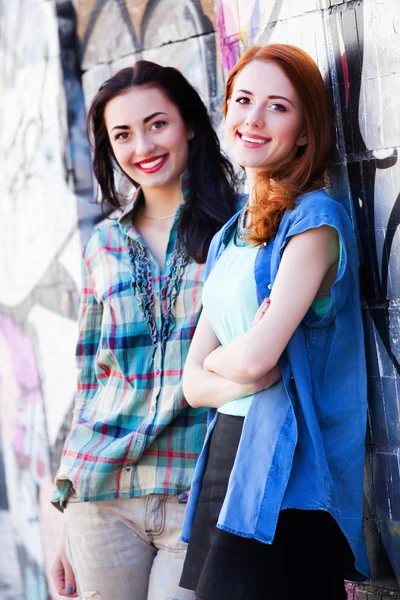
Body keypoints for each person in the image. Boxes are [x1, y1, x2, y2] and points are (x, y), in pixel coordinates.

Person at [50, 61, 280, 600]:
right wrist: (65, 518)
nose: (142, 148)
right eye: (122, 135)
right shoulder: (102, 243)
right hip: (102, 498)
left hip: (197, 491)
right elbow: (90, 379)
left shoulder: (245, 229)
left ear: (191, 125)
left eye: (157, 124)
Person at [179, 44, 371, 600]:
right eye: (243, 100)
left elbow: (258, 360)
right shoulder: (228, 235)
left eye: (278, 107)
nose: (253, 119)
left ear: (306, 132)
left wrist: (223, 361)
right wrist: (231, 363)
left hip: (285, 468)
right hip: (226, 456)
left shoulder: (314, 223)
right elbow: (192, 386)